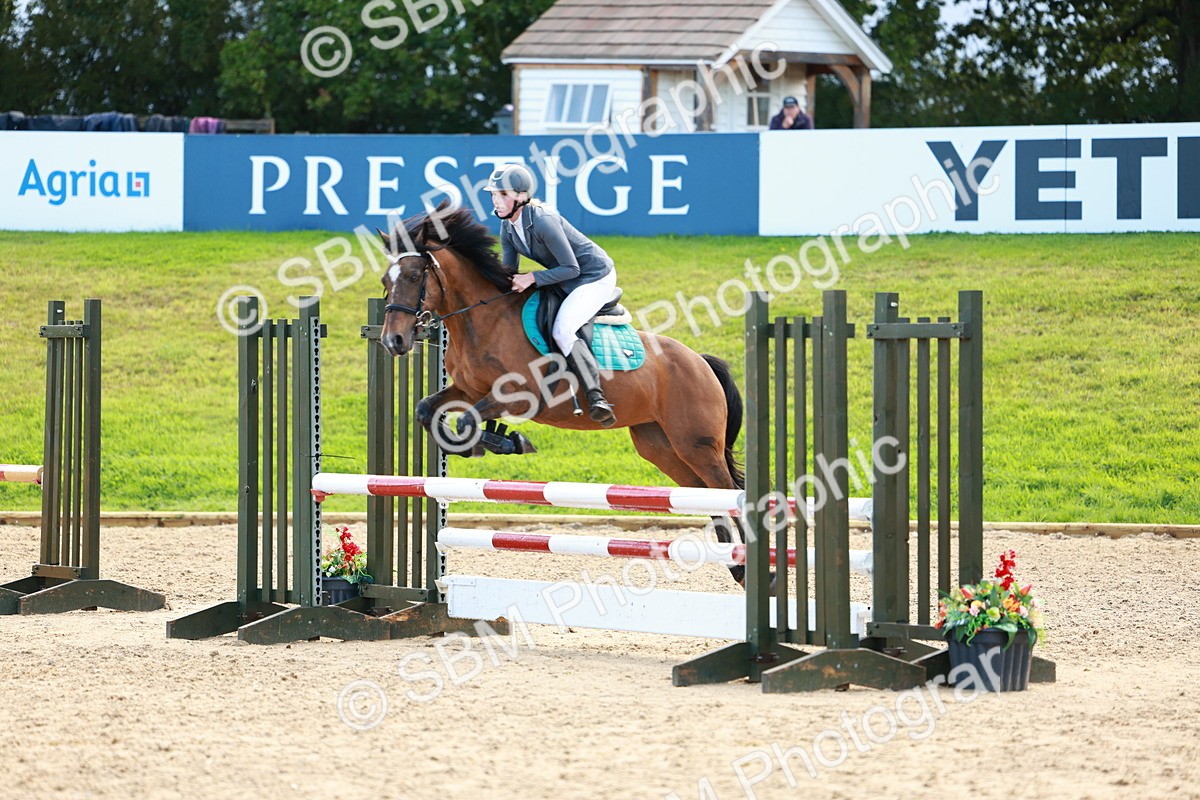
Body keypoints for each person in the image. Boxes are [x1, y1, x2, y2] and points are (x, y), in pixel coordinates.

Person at [486, 163, 620, 427]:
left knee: (562, 329)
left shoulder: (543, 221)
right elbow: (509, 272)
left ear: (521, 197)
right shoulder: (508, 227)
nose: (496, 200)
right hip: (566, 277)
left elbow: (572, 268)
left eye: (503, 194)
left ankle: (596, 397)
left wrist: (532, 278)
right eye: (493, 194)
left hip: (594, 277)